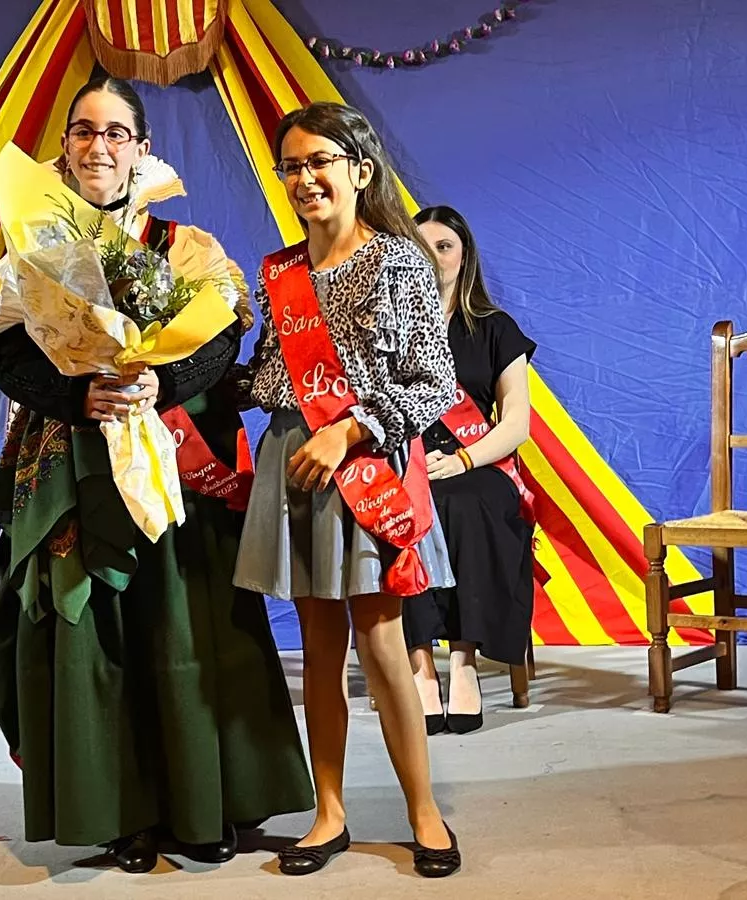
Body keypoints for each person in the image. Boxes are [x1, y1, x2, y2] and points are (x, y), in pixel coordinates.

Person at [0, 74, 314, 873]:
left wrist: (165, 381)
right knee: (100, 631)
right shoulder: (29, 249)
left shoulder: (188, 247)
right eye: (84, 132)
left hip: (178, 462)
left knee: (190, 626)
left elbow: (221, 339)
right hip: (76, 458)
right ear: (64, 147)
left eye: (115, 132)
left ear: (142, 149)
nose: (99, 146)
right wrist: (76, 390)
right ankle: (120, 811)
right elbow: (5, 350)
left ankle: (211, 802)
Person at [233, 101, 462, 878]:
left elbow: (435, 385)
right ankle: (328, 814)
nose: (305, 179)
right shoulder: (280, 274)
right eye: (291, 166)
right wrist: (180, 357)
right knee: (319, 646)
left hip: (364, 466)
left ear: (361, 170)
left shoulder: (399, 262)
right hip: (296, 465)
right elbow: (269, 375)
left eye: (319, 161)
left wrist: (352, 428)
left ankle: (423, 813)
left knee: (383, 643)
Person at [401, 205, 537, 736]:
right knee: (401, 506)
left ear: (465, 256)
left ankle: (463, 664)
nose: (433, 257)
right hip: (405, 461)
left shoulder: (495, 328)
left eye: (445, 246)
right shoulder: (387, 327)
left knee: (469, 501)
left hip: (476, 461)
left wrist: (459, 459)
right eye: (421, 246)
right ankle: (419, 668)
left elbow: (516, 423)